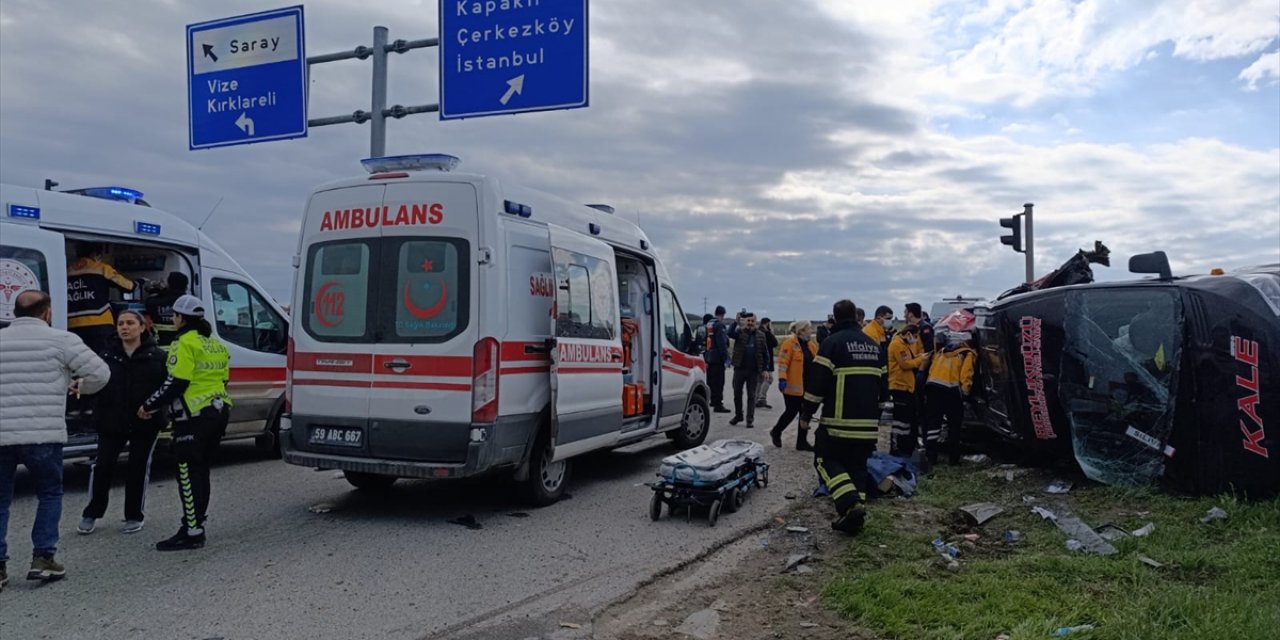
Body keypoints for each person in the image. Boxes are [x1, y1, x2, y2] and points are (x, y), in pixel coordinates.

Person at [0, 291, 110, 588]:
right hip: (43, 434)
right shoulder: (62, 340)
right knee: (49, 493)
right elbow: (101, 373)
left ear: (14, 313)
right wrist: (78, 386)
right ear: (47, 313)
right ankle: (43, 559)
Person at [139, 295, 231, 551]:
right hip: (218, 411)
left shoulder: (183, 343)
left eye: (175, 316)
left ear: (179, 318)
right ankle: (196, 524)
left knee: (187, 473)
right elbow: (223, 380)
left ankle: (192, 531)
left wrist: (148, 405)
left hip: (194, 415)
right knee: (201, 470)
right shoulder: (215, 344)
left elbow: (177, 382)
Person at [77, 310, 168, 536]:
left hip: (144, 422)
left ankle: (134, 515)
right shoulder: (106, 355)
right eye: (120, 324)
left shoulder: (157, 356)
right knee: (103, 466)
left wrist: (155, 409)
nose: (124, 327)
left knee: (138, 468)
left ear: (142, 327)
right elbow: (94, 383)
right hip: (111, 420)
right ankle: (92, 513)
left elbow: (165, 388)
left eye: (129, 323)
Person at [800, 300, 884, 535]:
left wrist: (806, 416)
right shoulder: (874, 346)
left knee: (824, 461)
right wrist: (874, 419)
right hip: (867, 426)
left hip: (838, 425)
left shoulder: (832, 344)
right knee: (857, 467)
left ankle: (849, 504)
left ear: (835, 318)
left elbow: (817, 386)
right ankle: (855, 519)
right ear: (858, 319)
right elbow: (883, 391)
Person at [66, 244, 139, 354]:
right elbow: (128, 286)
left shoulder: (67, 271)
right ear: (95, 254)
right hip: (100, 323)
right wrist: (138, 283)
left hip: (72, 325)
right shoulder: (101, 268)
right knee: (105, 359)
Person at [922, 331, 976, 465]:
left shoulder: (941, 352)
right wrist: (965, 394)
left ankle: (931, 456)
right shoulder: (967, 353)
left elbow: (932, 369)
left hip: (933, 388)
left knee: (933, 423)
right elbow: (966, 375)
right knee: (954, 425)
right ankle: (953, 459)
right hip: (951, 391)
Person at [770, 320, 818, 451]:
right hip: (792, 386)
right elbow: (783, 363)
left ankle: (801, 442)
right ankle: (776, 431)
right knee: (791, 412)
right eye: (808, 329)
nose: (811, 331)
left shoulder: (811, 346)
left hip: (807, 386)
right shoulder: (789, 344)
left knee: (805, 414)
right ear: (801, 331)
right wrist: (782, 379)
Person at [887, 324, 931, 460]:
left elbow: (909, 359)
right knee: (901, 420)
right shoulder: (897, 345)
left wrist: (918, 356)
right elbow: (905, 364)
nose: (916, 340)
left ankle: (906, 446)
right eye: (915, 336)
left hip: (907, 386)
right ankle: (898, 447)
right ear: (909, 334)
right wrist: (921, 359)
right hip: (899, 387)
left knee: (908, 419)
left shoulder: (904, 344)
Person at [726, 311, 768, 428]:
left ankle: (750, 419)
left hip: (754, 371)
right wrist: (736, 321)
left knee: (751, 395)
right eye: (748, 321)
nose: (750, 323)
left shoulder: (761, 335)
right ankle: (738, 415)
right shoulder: (739, 332)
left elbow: (765, 354)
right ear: (745, 322)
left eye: (752, 321)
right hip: (739, 368)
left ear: (756, 322)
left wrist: (765, 369)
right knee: (737, 393)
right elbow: (729, 333)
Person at [144, 272, 189, 346]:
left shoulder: (154, 302)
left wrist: (156, 291)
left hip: (160, 346)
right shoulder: (188, 302)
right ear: (185, 286)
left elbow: (148, 303)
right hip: (183, 346)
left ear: (169, 284)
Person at [703, 306, 731, 413]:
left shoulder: (709, 324)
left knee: (711, 381)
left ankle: (712, 400)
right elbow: (721, 343)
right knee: (719, 382)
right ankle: (718, 404)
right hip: (717, 358)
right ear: (723, 314)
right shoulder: (719, 325)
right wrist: (726, 358)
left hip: (709, 357)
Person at [755, 317, 778, 410]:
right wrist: (769, 332)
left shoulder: (757, 331)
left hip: (759, 359)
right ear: (767, 324)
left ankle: (756, 398)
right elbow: (775, 343)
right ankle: (762, 397)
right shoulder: (766, 333)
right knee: (769, 378)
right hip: (766, 359)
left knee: (760, 380)